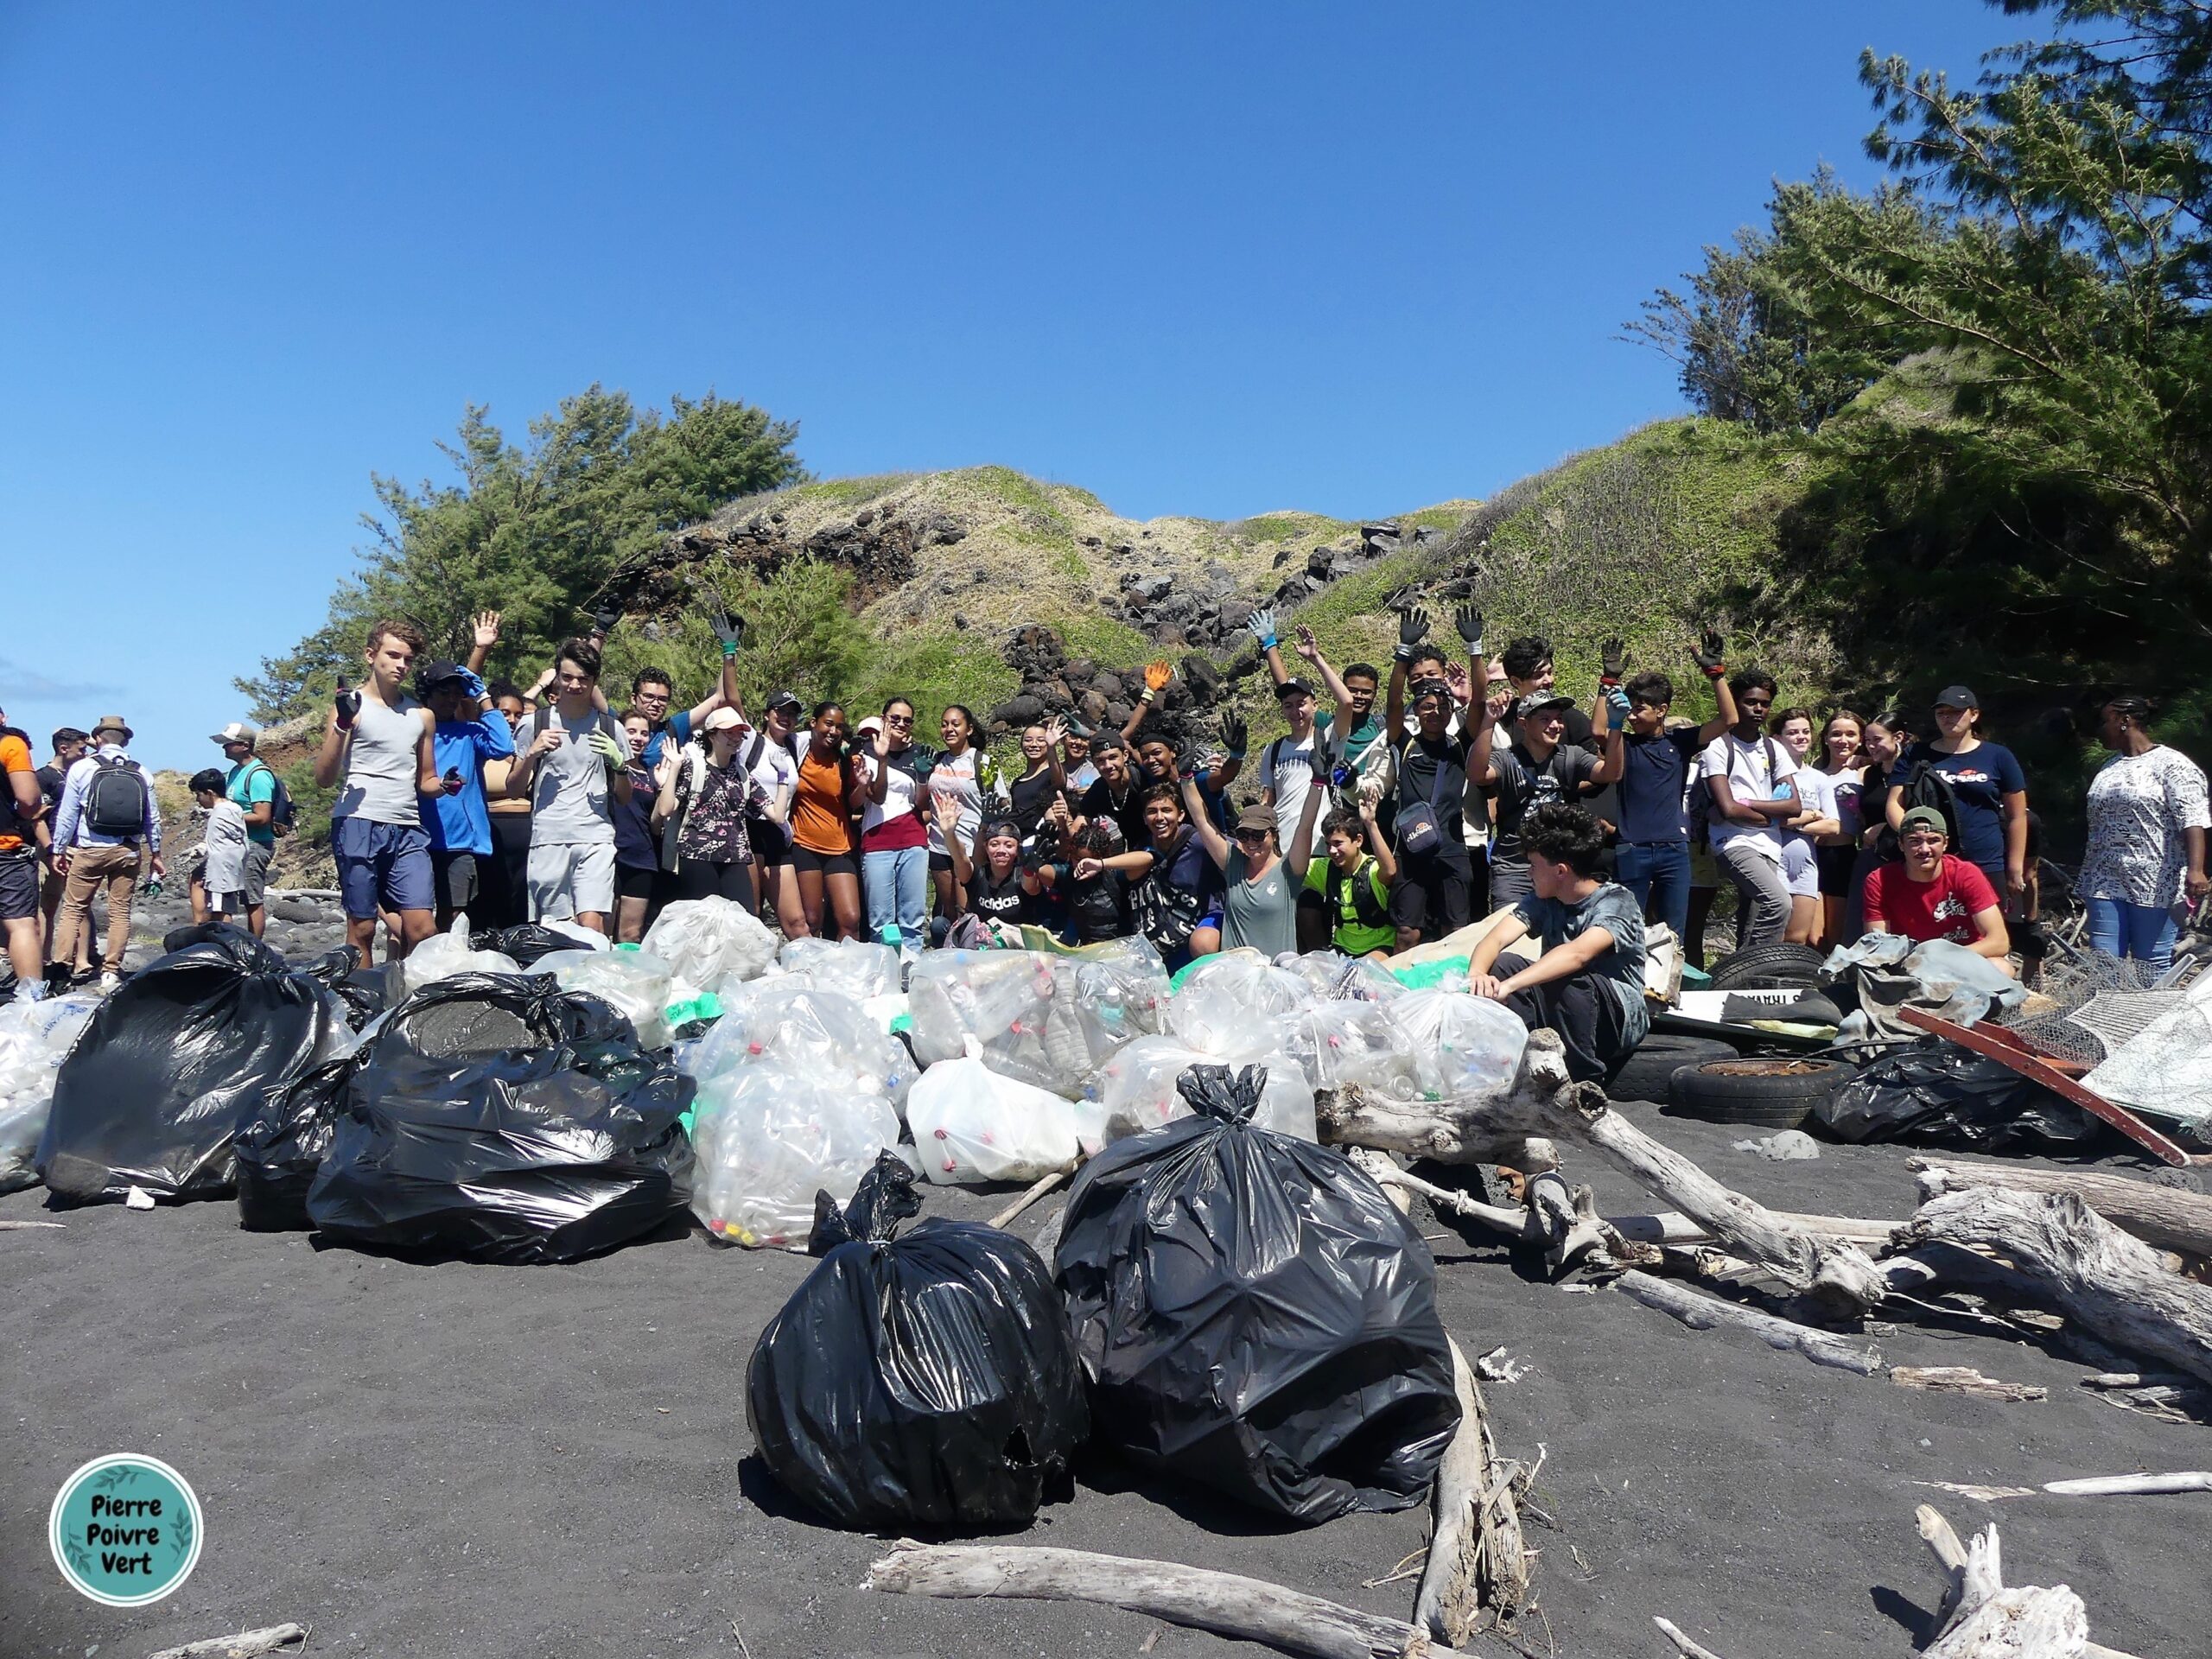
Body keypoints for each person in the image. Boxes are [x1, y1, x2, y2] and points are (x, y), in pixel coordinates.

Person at [1465, 803, 1650, 1083]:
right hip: (1562, 1009)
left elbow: (1577, 954)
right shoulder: (1544, 898)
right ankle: (1520, 1063)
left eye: (1534, 866)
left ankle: (1582, 1080)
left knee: (1567, 976)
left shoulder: (1617, 901)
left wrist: (1511, 986)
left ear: (1561, 871)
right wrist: (1477, 975)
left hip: (1618, 1021)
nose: (1529, 873)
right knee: (1504, 964)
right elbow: (1495, 939)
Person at [1589, 632, 1737, 949]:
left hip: (1673, 849)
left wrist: (1716, 674)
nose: (1631, 715)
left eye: (1639, 709)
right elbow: (1599, 731)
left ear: (1661, 710)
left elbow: (1729, 719)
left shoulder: (1679, 743)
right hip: (1632, 848)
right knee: (1627, 930)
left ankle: (1669, 994)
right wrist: (1608, 682)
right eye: (1629, 708)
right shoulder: (1624, 744)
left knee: (1673, 935)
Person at [314, 621, 441, 967]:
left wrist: (447, 786)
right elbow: (324, 778)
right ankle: (362, 1003)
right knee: (363, 926)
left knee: (422, 928)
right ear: (371, 656)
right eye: (393, 655)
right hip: (358, 821)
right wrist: (342, 726)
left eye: (408, 659)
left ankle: (412, 1002)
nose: (401, 665)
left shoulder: (421, 715)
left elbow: (427, 780)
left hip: (407, 827)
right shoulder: (350, 708)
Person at [502, 637, 629, 936]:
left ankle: (592, 982)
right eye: (567, 677)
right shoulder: (534, 724)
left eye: (583, 679)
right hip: (549, 836)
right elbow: (513, 790)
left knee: (592, 925)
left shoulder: (612, 728)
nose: (574, 686)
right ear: (556, 677)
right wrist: (532, 752)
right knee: (556, 930)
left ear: (594, 681)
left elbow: (624, 797)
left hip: (595, 835)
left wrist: (619, 764)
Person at [2077, 695, 2209, 972]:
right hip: (2104, 877)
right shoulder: (2109, 767)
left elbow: (2193, 819)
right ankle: (2107, 1014)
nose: (2099, 730)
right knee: (2103, 958)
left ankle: (2149, 1015)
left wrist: (2196, 870)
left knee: (2150, 960)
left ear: (2124, 721)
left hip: (2155, 879)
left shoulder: (2173, 766)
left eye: (2104, 722)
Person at [1885, 686, 2030, 912]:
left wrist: (2014, 866)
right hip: (1929, 861)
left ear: (1974, 715)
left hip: (1986, 859)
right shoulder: (1915, 754)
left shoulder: (1998, 756)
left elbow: (2018, 816)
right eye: (1941, 713)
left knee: (1989, 934)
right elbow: (1894, 803)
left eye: (1956, 712)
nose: (1947, 718)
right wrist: (1914, 838)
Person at [49, 715, 162, 991]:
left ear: (98, 738)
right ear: (125, 740)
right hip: (127, 851)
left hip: (90, 849)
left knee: (73, 910)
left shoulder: (83, 768)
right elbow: (153, 818)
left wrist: (59, 850)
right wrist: (156, 854)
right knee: (121, 911)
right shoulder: (141, 771)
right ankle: (111, 971)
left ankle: (61, 970)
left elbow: (68, 814)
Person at [1392, 666, 1493, 949]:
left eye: (1442, 707)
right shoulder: (1405, 743)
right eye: (1427, 706)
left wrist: (1475, 649)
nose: (1435, 712)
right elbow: (1394, 703)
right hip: (1410, 848)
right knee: (1406, 932)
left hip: (1452, 847)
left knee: (1455, 930)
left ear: (1451, 712)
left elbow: (1479, 704)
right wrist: (1402, 656)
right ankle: (1399, 988)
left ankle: (1452, 988)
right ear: (1417, 711)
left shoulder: (1459, 745)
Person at [411, 661, 516, 931]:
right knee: (412, 916)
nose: (452, 699)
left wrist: (483, 698)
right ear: (427, 693)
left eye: (457, 693)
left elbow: (503, 746)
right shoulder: (412, 730)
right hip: (417, 838)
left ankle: (445, 967)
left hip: (459, 843)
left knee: (453, 914)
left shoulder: (469, 733)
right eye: (444, 692)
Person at [1700, 670, 1801, 950]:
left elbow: (1794, 805)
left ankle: (1744, 984)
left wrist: (1749, 803)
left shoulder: (1773, 748)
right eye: (1750, 702)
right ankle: (1756, 972)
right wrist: (1771, 814)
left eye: (1765, 703)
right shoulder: (1717, 745)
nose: (1758, 709)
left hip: (1770, 844)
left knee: (1753, 919)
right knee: (1778, 902)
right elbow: (1728, 809)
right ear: (1733, 702)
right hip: (1733, 842)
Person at [1072, 782, 1224, 966]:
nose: (1159, 817)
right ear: (1144, 818)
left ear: (1181, 815)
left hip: (1201, 920)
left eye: (1167, 810)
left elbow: (1235, 853)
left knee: (1203, 944)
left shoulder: (1200, 842)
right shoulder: (1142, 846)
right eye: (1152, 811)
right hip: (1158, 933)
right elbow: (1146, 859)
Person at [1483, 692, 1601, 911]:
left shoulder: (1570, 756)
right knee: (1509, 936)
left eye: (1559, 718)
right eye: (1545, 719)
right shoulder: (1506, 759)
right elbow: (1478, 774)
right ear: (1523, 724)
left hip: (1558, 871)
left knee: (1557, 938)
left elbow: (1610, 773)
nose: (1555, 725)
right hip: (1513, 870)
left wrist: (1612, 726)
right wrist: (1488, 722)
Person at [1864, 806, 2012, 964]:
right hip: (1910, 964)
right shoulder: (1880, 881)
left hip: (1963, 960)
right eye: (1914, 841)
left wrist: (1942, 959)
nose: (1924, 849)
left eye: (1934, 840)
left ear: (1945, 843)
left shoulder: (1966, 874)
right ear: (1901, 844)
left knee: (2001, 967)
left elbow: (2000, 942)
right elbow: (1878, 945)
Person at [1181, 779, 1309, 959]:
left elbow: (1305, 827)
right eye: (1243, 835)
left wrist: (1318, 783)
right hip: (1235, 973)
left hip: (1276, 974)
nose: (1250, 842)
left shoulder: (1288, 870)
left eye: (1257, 835)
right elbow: (1202, 821)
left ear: (1273, 834)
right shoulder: (1233, 863)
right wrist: (1187, 779)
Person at [652, 705, 758, 906]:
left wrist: (783, 778)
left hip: (735, 856)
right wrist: (674, 767)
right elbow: (665, 809)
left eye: (739, 733)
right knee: (703, 921)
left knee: (744, 920)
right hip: (696, 854)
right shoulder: (693, 767)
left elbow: (776, 815)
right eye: (728, 732)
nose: (736, 738)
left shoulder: (742, 775)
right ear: (712, 735)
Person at [855, 697, 931, 949]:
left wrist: (922, 777)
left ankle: (913, 972)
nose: (901, 724)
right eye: (895, 718)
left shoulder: (918, 754)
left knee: (912, 918)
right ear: (883, 718)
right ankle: (885, 972)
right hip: (877, 842)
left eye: (907, 720)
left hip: (913, 840)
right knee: (881, 920)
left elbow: (922, 804)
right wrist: (883, 758)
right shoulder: (864, 753)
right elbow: (876, 797)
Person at [789, 701, 865, 940]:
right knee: (812, 919)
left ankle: (844, 970)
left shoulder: (845, 761)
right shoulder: (797, 754)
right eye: (828, 724)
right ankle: (811, 971)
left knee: (850, 919)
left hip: (840, 846)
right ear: (814, 723)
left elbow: (853, 803)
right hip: (804, 844)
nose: (833, 731)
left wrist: (862, 784)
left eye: (839, 727)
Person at [926, 704, 1002, 937]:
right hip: (938, 844)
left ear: (968, 729)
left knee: (967, 911)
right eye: (944, 724)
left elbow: (1002, 803)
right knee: (948, 910)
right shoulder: (935, 761)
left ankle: (971, 956)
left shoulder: (983, 763)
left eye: (955, 724)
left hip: (970, 846)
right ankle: (949, 956)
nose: (949, 729)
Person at [1770, 708, 1840, 946]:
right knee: (1772, 935)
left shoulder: (1818, 778)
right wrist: (1811, 815)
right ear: (1777, 739)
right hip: (1775, 858)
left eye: (1806, 731)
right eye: (1793, 733)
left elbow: (1833, 826)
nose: (1801, 737)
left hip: (1806, 864)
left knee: (1798, 938)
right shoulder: (1769, 774)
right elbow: (1772, 819)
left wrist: (1796, 825)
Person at [207, 721, 281, 938]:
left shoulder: (258, 775)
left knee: (251, 898)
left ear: (245, 746)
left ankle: (255, 947)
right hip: (238, 845)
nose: (224, 748)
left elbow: (262, 816)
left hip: (255, 844)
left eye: (229, 744)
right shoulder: (234, 773)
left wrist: (228, 817)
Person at [1301, 798, 1398, 960]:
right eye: (1328, 844)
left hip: (1378, 948)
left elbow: (1389, 870)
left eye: (1338, 843)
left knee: (1361, 974)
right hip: (1341, 949)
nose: (1332, 851)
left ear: (1358, 841)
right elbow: (1291, 869)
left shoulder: (1373, 869)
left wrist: (1370, 823)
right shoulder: (1325, 869)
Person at [745, 690, 805, 938]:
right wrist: (729, 656)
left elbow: (830, 732)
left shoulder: (796, 745)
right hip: (750, 829)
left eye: (792, 714)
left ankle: (810, 972)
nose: (785, 718)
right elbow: (733, 699)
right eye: (780, 711)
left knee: (797, 922)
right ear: (767, 713)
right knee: (752, 912)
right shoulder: (750, 740)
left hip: (778, 835)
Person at [35, 727, 89, 983]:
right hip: (53, 847)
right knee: (48, 905)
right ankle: (43, 959)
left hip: (81, 846)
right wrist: (50, 848)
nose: (86, 753)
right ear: (63, 748)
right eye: (81, 748)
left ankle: (82, 960)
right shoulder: (44, 777)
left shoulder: (83, 774)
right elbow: (37, 818)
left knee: (81, 904)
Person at [479, 682, 535, 930]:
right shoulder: (481, 745)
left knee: (521, 908)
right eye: (505, 713)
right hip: (491, 833)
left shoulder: (528, 748)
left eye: (519, 715)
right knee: (489, 905)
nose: (512, 720)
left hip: (528, 837)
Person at [1810, 710, 1867, 947]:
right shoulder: (1813, 774)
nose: (1843, 740)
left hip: (1843, 857)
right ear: (1825, 739)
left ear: (1861, 739)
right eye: (1836, 734)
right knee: (1812, 936)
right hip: (1811, 855)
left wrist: (1869, 760)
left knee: (1834, 935)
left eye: (1851, 734)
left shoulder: (1863, 774)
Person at [0, 705, 43, 995]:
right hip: (4, 847)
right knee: (21, 926)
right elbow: (28, 800)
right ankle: (32, 1004)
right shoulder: (10, 744)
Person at [611, 710, 661, 942]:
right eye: (631, 731)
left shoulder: (651, 774)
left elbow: (656, 821)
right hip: (610, 855)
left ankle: (626, 976)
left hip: (642, 858)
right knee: (602, 931)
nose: (638, 738)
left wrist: (663, 785)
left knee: (631, 935)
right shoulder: (607, 767)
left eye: (644, 733)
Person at [187, 768, 250, 922]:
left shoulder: (222, 812)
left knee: (220, 910)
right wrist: (203, 847)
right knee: (197, 879)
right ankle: (202, 927)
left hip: (222, 869)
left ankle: (221, 939)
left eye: (198, 794)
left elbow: (231, 842)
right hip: (228, 866)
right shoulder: (232, 808)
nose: (197, 799)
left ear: (210, 793)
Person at [1006, 718, 1070, 840]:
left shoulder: (1052, 772)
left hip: (1043, 839)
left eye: (1041, 740)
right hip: (1019, 841)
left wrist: (1052, 748)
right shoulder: (1017, 783)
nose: (1034, 745)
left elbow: (1059, 783)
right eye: (1028, 740)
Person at [1080, 734, 1146, 851]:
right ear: (1094, 763)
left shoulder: (1142, 781)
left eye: (1113, 757)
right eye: (1100, 760)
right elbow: (1081, 823)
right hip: (1135, 850)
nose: (1108, 766)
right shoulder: (1099, 788)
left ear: (1125, 755)